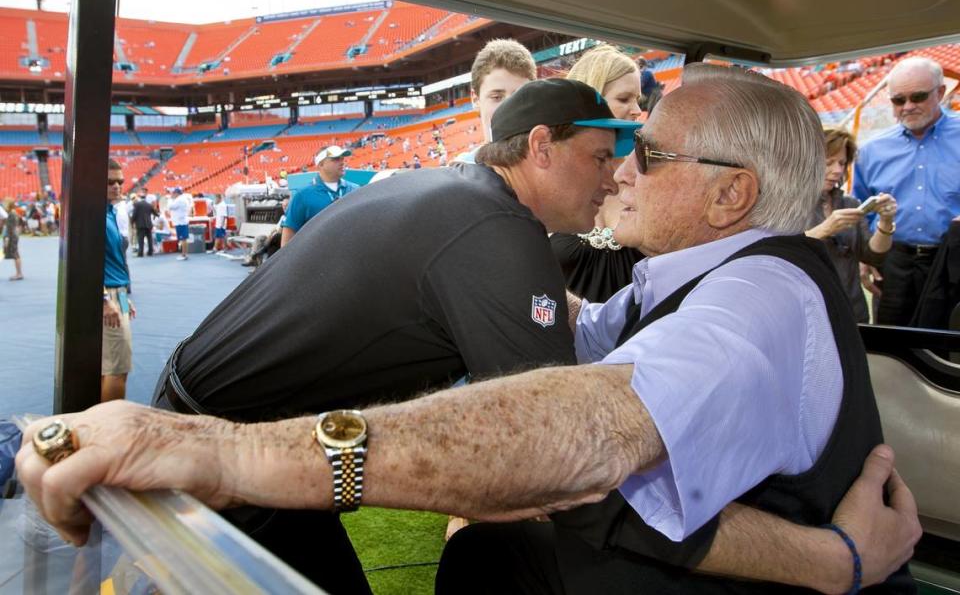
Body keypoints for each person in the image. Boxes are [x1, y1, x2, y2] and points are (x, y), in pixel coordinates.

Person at [20, 75, 921, 595]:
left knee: (496, 551)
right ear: (537, 149)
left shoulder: (757, 296)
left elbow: (577, 431)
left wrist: (227, 454)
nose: (621, 175)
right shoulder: (676, 275)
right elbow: (589, 338)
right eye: (613, 152)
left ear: (732, 195)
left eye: (646, 154)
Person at [853, 56, 960, 325]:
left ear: (940, 93)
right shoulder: (871, 151)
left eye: (918, 97)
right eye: (899, 100)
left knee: (948, 349)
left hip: (953, 262)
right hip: (892, 263)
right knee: (892, 348)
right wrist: (864, 259)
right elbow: (862, 211)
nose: (908, 106)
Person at [551, 44, 646, 302]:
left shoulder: (649, 176)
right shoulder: (549, 181)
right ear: (592, 102)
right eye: (625, 99)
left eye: (638, 99)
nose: (637, 110)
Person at [806, 129, 897, 322]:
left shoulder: (850, 204)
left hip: (852, 311)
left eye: (841, 163)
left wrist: (886, 221)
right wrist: (824, 229)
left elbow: (873, 255)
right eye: (829, 163)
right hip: (809, 312)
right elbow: (778, 250)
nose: (838, 170)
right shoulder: (787, 204)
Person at [455, 38, 537, 163]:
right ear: (476, 99)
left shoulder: (556, 164)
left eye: (520, 96)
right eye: (497, 97)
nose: (510, 108)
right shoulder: (460, 173)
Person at [102, 160, 136, 403]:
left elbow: (112, 261)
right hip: (109, 296)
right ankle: (110, 429)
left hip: (119, 293)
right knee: (116, 369)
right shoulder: (96, 216)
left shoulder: (110, 212)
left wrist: (124, 296)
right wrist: (104, 299)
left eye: (120, 182)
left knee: (112, 366)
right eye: (110, 182)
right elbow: (88, 262)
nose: (117, 186)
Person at [280, 145, 357, 247]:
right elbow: (288, 236)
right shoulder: (303, 195)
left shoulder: (355, 190)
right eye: (335, 159)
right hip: (317, 259)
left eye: (342, 158)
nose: (342, 162)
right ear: (321, 164)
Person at [168, 186, 193, 261]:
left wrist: (170, 199)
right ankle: (184, 254)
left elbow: (170, 207)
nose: (172, 194)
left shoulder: (179, 200)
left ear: (176, 193)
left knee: (183, 239)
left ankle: (184, 254)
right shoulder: (182, 199)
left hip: (180, 222)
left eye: (173, 193)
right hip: (182, 221)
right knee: (183, 239)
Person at [130, 192, 158, 257]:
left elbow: (134, 214)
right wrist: (157, 215)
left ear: (140, 197)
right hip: (148, 224)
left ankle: (140, 253)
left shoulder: (137, 204)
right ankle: (150, 252)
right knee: (149, 238)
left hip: (140, 224)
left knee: (140, 239)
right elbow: (155, 213)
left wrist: (132, 222)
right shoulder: (149, 204)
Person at [2, 199, 23, 280]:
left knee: (15, 255)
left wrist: (6, 239)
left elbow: (9, 228)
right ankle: (19, 273)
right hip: (14, 235)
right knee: (16, 254)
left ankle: (19, 273)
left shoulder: (11, 214)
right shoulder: (13, 213)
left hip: (12, 236)